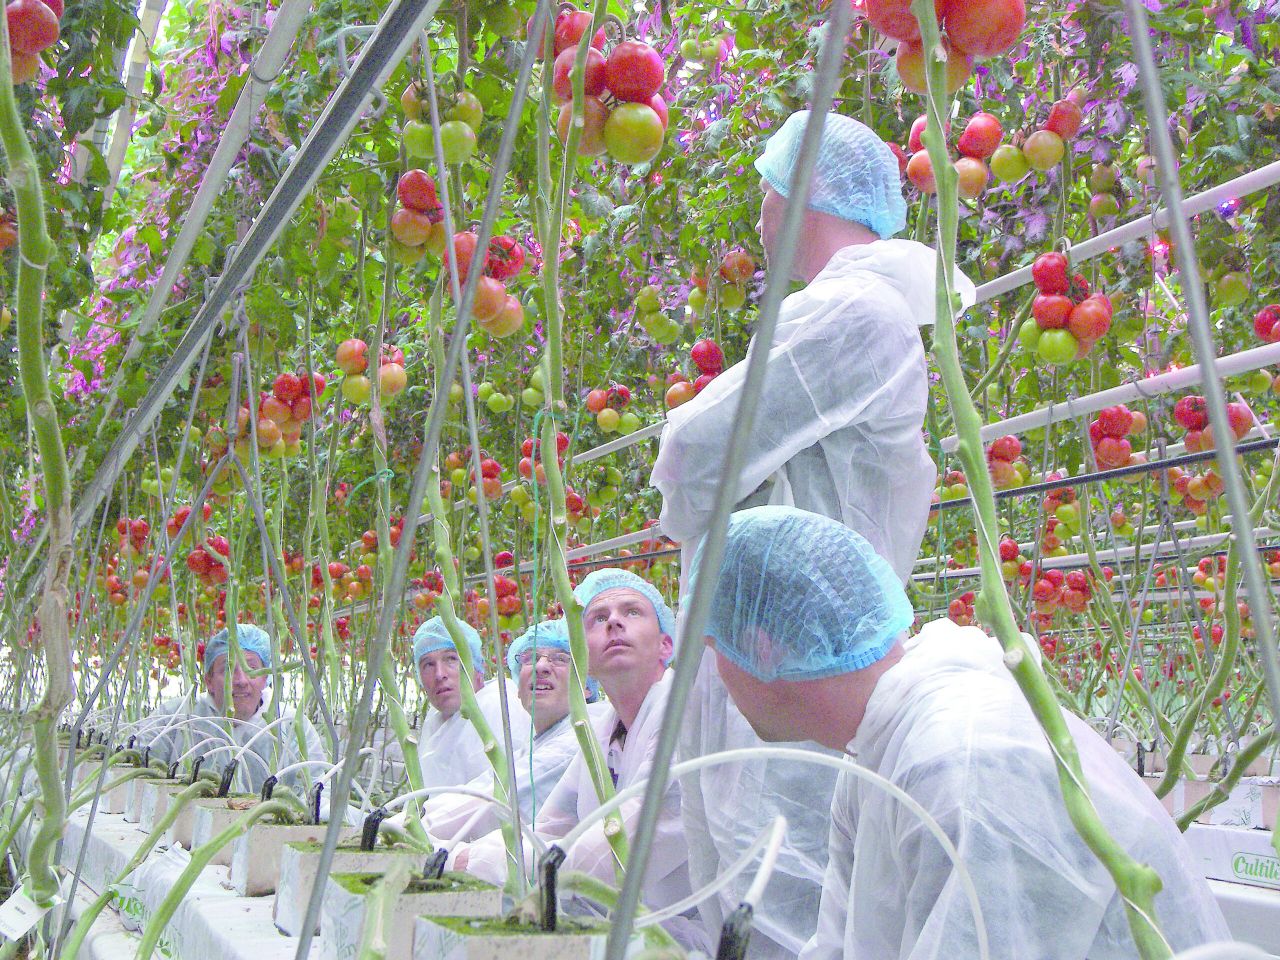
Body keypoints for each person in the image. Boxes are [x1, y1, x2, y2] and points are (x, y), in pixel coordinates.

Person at [651, 110, 978, 958]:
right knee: (763, 871)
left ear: (800, 192)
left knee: (779, 882)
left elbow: (693, 447)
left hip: (790, 651)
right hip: (784, 648)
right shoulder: (855, 314)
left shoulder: (852, 313)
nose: (759, 213)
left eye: (766, 186)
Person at [693, 506, 1233, 960]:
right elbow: (839, 945)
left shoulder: (962, 762)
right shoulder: (874, 762)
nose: (717, 677)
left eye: (716, 652)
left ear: (760, 648)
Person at [450, 569, 708, 953]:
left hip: (688, 940)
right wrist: (463, 854)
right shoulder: (603, 731)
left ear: (666, 646)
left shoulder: (683, 715)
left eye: (632, 612)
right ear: (583, 655)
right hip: (632, 932)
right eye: (598, 619)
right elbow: (553, 828)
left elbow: (609, 854)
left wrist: (469, 861)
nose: (615, 621)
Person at [421, 618, 608, 841]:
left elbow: (497, 802)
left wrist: (417, 827)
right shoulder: (534, 746)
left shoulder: (582, 739)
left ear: (587, 686)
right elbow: (484, 786)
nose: (541, 666)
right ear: (518, 687)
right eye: (531, 659)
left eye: (560, 658)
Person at [140, 623, 326, 794]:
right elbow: (137, 770)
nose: (241, 681)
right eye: (227, 669)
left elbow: (319, 790)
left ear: (265, 679)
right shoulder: (175, 716)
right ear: (209, 681)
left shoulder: (291, 724)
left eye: (252, 668)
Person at [412, 616, 531, 792]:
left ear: (478, 668)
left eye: (451, 659)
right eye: (428, 664)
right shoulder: (434, 720)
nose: (439, 674)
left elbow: (498, 801)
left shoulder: (499, 707)